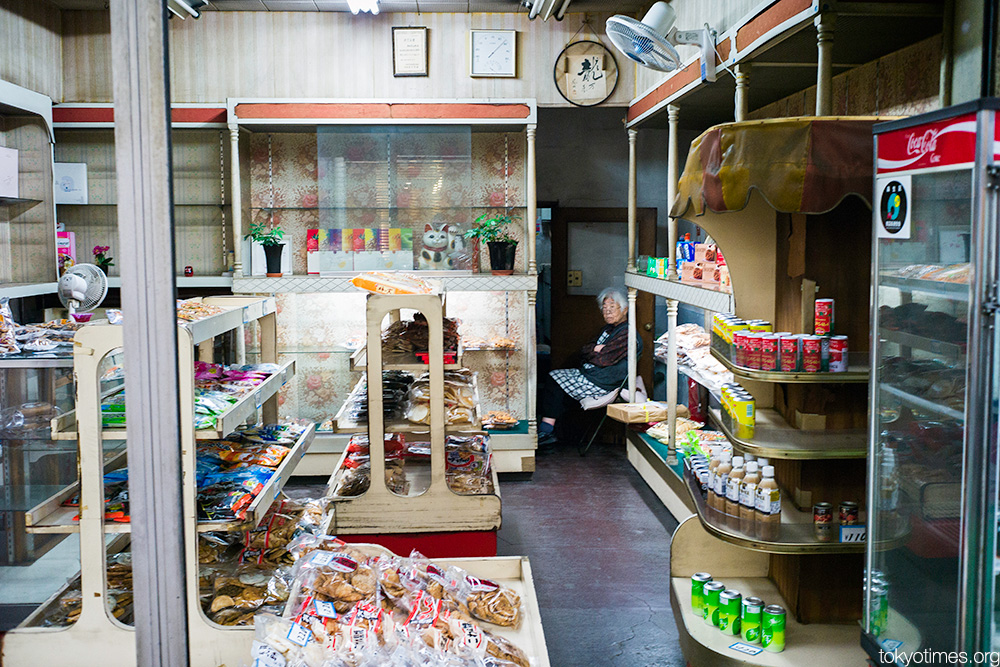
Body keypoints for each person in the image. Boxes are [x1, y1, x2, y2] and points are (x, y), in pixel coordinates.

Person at [538, 286, 642, 447]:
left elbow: (604, 360)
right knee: (555, 378)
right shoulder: (608, 329)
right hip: (592, 374)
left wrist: (596, 352)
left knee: (555, 379)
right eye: (604, 308)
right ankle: (550, 432)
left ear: (625, 309)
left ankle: (547, 430)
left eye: (612, 307)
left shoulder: (627, 333)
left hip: (603, 381)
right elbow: (585, 350)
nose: (607, 312)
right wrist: (595, 350)